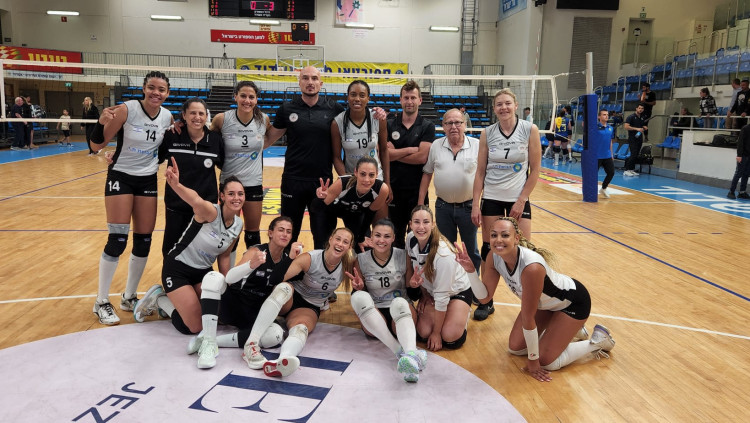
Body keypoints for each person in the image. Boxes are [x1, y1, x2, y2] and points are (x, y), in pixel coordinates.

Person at [138, 217, 302, 369]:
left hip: (254, 314)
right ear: (270, 233)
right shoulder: (256, 252)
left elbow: (275, 280)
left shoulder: (288, 259)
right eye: (281, 230)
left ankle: (212, 341)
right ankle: (163, 301)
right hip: (233, 304)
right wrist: (250, 265)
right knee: (213, 279)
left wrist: (290, 262)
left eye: (288, 232)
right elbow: (229, 278)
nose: (285, 234)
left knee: (276, 335)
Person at [470, 216, 615, 382]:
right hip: (546, 305)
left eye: (505, 235)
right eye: (494, 235)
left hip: (573, 303)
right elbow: (485, 298)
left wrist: (533, 361)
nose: (498, 240)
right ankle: (570, 331)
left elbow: (528, 317)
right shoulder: (493, 257)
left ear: (516, 238)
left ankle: (598, 341)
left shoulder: (531, 267)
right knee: (515, 348)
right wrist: (470, 271)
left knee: (546, 362)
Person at [88, 71, 173, 325]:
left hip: (147, 179)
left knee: (144, 241)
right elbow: (96, 146)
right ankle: (101, 301)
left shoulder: (167, 117)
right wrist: (100, 122)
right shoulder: (127, 110)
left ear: (167, 93)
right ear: (144, 88)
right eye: (152, 87)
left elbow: (161, 151)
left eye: (161, 89)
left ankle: (129, 297)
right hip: (121, 177)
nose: (156, 93)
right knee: (117, 239)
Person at [133, 159, 244, 337]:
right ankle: (161, 299)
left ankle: (181, 300)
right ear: (222, 196)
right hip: (178, 269)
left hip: (203, 273)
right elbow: (195, 199)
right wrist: (176, 185)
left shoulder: (238, 225)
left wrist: (227, 285)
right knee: (195, 326)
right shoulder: (211, 212)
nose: (236, 198)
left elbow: (224, 255)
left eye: (240, 194)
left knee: (220, 316)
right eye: (231, 194)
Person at [241, 227, 355, 377]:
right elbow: (274, 279)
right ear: (330, 239)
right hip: (291, 298)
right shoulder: (310, 258)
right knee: (283, 288)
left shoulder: (348, 265)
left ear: (349, 247)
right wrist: (290, 258)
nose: (340, 244)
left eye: (345, 242)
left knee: (301, 329)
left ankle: (283, 360)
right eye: (338, 239)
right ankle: (251, 343)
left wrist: (359, 287)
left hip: (309, 306)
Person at [471, 88, 542, 320]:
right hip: (491, 196)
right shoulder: (487, 133)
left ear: (515, 105)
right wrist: (475, 203)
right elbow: (480, 172)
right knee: (490, 249)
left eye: (507, 103)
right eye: (499, 104)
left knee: (525, 251)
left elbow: (535, 170)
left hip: (517, 198)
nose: (504, 107)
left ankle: (532, 304)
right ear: (494, 109)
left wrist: (521, 200)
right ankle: (487, 301)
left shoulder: (529, 129)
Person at [262, 66, 344, 249]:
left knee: (323, 237)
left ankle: (321, 268)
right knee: (288, 236)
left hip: (323, 183)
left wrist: (378, 117)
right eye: (305, 78)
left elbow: (355, 126)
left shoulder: (335, 109)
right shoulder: (286, 109)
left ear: (321, 83)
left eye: (314, 78)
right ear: (299, 82)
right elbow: (267, 139)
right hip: (293, 180)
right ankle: (287, 267)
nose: (310, 82)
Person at [347, 219, 427, 382]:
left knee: (399, 302)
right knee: (358, 297)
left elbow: (413, 295)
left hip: (402, 313)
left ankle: (410, 355)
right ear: (371, 237)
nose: (381, 240)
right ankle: (402, 353)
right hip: (375, 316)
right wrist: (358, 288)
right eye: (377, 235)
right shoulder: (360, 259)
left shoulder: (403, 255)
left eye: (386, 236)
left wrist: (414, 286)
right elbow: (360, 295)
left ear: (393, 238)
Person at [209, 81, 274, 251]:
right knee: (229, 232)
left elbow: (271, 136)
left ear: (256, 99)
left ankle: (251, 267)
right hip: (229, 183)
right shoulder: (222, 119)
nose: (247, 100)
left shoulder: (263, 119)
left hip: (253, 182)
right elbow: (205, 137)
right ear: (235, 97)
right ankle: (228, 267)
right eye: (243, 96)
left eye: (251, 97)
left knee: (253, 233)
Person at [418, 108, 481, 274]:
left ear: (465, 124)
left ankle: (473, 285)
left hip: (468, 208)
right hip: (443, 208)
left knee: (471, 251)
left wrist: (477, 205)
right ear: (443, 126)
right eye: (449, 123)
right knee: (445, 250)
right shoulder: (436, 146)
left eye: (458, 122)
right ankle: (450, 283)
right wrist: (420, 204)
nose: (454, 126)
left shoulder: (477, 145)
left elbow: (483, 177)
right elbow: (427, 173)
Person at [159, 98, 224, 257]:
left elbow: (224, 166)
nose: (197, 117)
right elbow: (153, 157)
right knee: (171, 250)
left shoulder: (215, 140)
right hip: (176, 205)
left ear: (206, 116)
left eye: (201, 113)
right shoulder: (172, 136)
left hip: (205, 206)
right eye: (192, 113)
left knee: (202, 252)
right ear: (184, 115)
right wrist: (117, 154)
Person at [405, 205, 473, 351]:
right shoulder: (411, 238)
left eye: (426, 222)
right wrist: (424, 295)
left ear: (433, 224)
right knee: (423, 333)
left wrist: (436, 333)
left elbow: (442, 298)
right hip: (433, 292)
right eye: (416, 222)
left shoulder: (443, 254)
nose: (421, 227)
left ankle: (461, 312)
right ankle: (448, 316)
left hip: (457, 291)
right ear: (410, 224)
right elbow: (418, 269)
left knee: (449, 337)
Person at [387, 80, 436, 248]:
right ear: (400, 100)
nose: (409, 101)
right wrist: (409, 149)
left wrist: (395, 154)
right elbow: (384, 155)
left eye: (413, 98)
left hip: (417, 192)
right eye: (406, 98)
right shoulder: (389, 124)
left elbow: (422, 157)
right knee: (395, 238)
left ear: (420, 100)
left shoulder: (427, 126)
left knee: (418, 238)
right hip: (393, 191)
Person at [316, 156, 390, 253]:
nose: (367, 180)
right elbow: (318, 209)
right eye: (363, 174)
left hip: (354, 215)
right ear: (356, 172)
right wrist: (320, 198)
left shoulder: (382, 189)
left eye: (371, 175)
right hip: (331, 213)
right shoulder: (343, 183)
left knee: (364, 248)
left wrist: (361, 238)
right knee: (324, 245)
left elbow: (369, 215)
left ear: (377, 174)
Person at [331, 79, 390, 193]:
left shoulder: (377, 118)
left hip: (376, 179)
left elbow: (384, 150)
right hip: (351, 179)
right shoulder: (337, 123)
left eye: (362, 95)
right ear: (348, 97)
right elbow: (336, 157)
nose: (357, 99)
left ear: (368, 98)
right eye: (353, 94)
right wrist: (346, 181)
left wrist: (387, 183)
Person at [593, 110, 616, 198]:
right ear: (599, 116)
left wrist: (611, 154)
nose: (606, 116)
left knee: (611, 172)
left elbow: (610, 142)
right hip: (596, 155)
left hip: (607, 155)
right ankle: (591, 190)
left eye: (607, 115)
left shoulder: (610, 128)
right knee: (593, 174)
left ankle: (604, 188)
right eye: (604, 115)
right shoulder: (595, 127)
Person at [623, 103, 647, 177]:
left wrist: (644, 127)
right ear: (636, 108)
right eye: (639, 108)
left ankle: (631, 169)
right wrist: (636, 129)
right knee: (633, 154)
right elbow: (626, 126)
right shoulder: (631, 117)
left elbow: (642, 126)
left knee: (636, 154)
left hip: (639, 138)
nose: (640, 110)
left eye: (642, 108)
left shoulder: (642, 118)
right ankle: (627, 170)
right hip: (632, 138)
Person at [727, 123, 750, 200]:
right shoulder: (745, 128)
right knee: (738, 173)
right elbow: (740, 142)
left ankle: (742, 192)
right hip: (743, 155)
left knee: (746, 174)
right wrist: (739, 155)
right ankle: (731, 191)